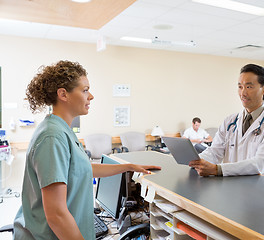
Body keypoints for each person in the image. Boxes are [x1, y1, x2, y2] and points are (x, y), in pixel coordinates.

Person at [13, 61, 161, 240]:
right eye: (85, 90)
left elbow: (81, 168)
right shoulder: (52, 137)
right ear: (63, 94)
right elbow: (56, 215)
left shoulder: (61, 129)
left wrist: (128, 167)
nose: (91, 96)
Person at [189, 64, 264, 178]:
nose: (243, 93)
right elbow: (215, 152)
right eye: (240, 87)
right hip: (232, 187)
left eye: (249, 87)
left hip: (261, 189)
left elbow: (260, 163)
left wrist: (217, 169)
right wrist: (196, 160)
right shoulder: (230, 121)